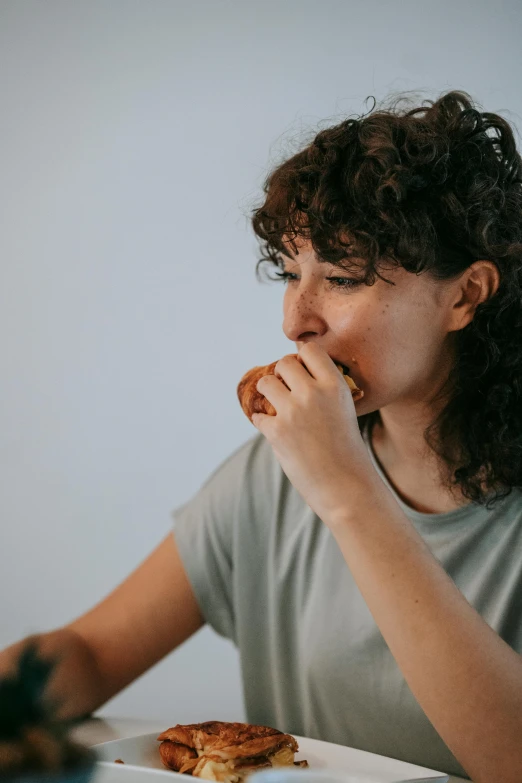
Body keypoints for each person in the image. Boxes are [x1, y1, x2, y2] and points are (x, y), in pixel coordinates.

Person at [1, 89, 522, 783]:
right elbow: (92, 653)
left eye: (340, 276)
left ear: (465, 295)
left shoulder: (326, 474)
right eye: (288, 272)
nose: (295, 320)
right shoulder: (270, 476)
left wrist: (348, 494)